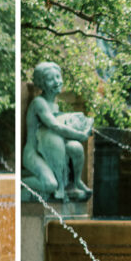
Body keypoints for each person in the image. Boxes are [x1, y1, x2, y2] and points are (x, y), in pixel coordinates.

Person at [22, 62, 93, 202]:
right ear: (41, 83)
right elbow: (55, 127)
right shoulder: (38, 103)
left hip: (49, 152)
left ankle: (76, 181)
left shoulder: (54, 104)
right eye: (50, 79)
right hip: (34, 153)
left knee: (75, 147)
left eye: (58, 77)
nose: (56, 82)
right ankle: (19, 182)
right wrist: (81, 135)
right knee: (50, 184)